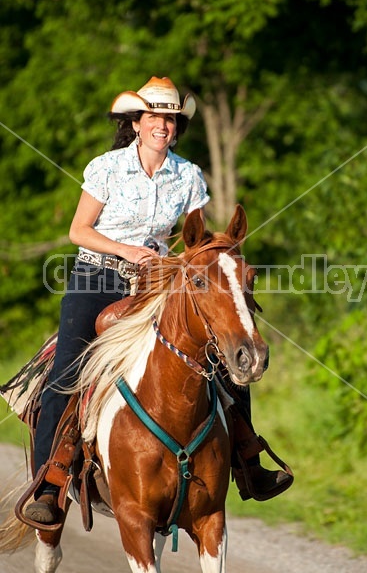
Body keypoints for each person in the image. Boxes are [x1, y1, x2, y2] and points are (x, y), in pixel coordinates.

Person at [24, 76, 293, 526]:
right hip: (98, 276)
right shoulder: (106, 168)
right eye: (154, 117)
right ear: (136, 122)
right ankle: (49, 484)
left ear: (176, 127)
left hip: (161, 282)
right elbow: (79, 231)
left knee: (223, 357)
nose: (162, 126)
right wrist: (128, 250)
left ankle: (248, 460)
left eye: (170, 119)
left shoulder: (188, 175)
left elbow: (198, 241)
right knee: (68, 366)